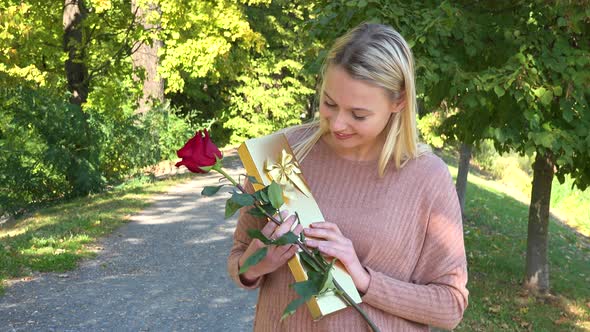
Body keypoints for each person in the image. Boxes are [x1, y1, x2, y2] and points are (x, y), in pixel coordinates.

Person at [227, 23, 468, 331]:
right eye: (329, 103)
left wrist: (364, 280)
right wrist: (256, 264)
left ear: (399, 102)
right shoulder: (279, 155)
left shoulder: (425, 177)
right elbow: (238, 261)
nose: (338, 123)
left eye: (358, 114)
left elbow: (450, 306)